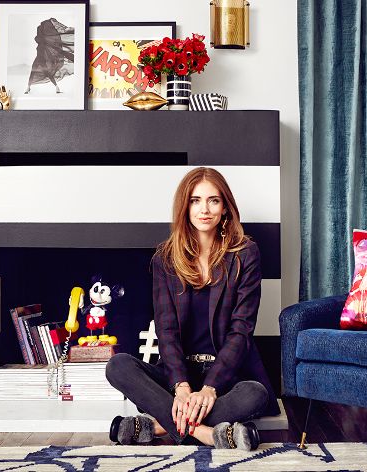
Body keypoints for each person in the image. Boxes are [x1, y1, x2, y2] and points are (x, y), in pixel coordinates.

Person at [106, 167, 279, 450]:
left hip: (226, 376)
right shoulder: (165, 258)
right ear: (185, 207)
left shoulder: (245, 254)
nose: (204, 209)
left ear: (225, 207)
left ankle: (159, 426)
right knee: (118, 366)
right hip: (178, 373)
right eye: (195, 200)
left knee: (255, 394)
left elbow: (241, 330)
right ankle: (207, 434)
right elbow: (166, 330)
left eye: (213, 200)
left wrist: (210, 387)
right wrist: (181, 387)